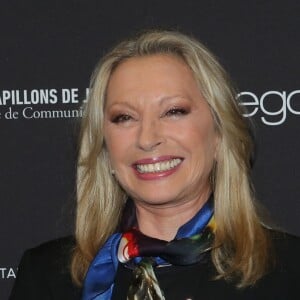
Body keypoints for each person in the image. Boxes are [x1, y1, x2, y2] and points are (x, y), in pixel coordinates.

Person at [9, 29, 300, 300]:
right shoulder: (46, 277)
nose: (147, 138)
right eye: (124, 117)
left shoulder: (290, 271)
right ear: (105, 148)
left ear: (219, 135)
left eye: (173, 111)